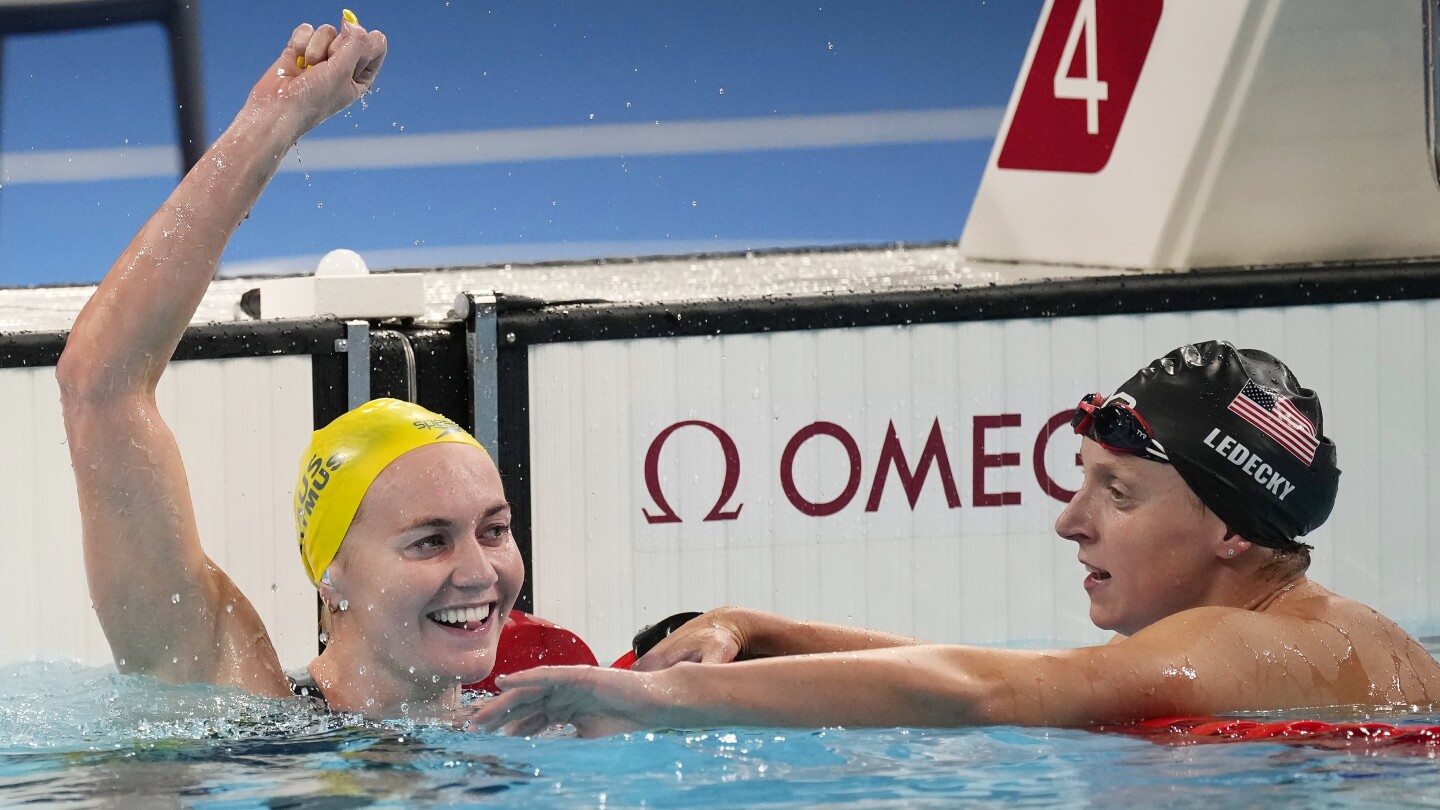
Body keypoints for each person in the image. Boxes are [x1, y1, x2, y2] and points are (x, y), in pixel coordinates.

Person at [473, 340, 1440, 737]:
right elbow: (1018, 674)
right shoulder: (1350, 640)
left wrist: (657, 702)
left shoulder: (1234, 650)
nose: (1070, 519)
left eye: (1120, 492)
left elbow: (984, 694)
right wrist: (760, 628)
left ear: (1232, 527)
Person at [57, 16, 531, 715]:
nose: (479, 572)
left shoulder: (536, 719)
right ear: (332, 574)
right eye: (429, 541)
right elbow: (99, 382)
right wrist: (272, 122)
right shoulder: (245, 709)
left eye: (494, 530)